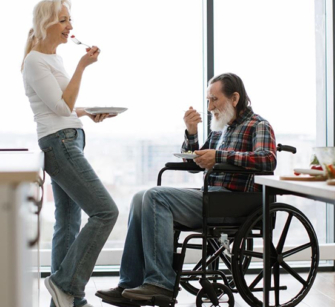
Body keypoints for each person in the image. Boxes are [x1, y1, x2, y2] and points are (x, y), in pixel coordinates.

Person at [96, 73, 277, 304]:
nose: (210, 107)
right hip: (212, 198)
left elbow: (267, 160)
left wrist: (220, 156)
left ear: (234, 98)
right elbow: (193, 165)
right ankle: (129, 283)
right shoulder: (220, 130)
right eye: (208, 100)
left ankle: (160, 283)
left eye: (215, 100)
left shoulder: (258, 125)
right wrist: (191, 132)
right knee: (139, 198)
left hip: (235, 202)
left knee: (154, 197)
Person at [21, 1, 119, 307]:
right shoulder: (36, 61)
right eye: (63, 20)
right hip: (59, 143)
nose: (70, 27)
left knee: (67, 221)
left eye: (70, 20)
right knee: (106, 212)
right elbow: (60, 108)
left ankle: (66, 301)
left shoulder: (53, 59)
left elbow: (64, 105)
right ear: (46, 22)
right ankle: (65, 284)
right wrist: (82, 67)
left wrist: (87, 113)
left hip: (68, 139)